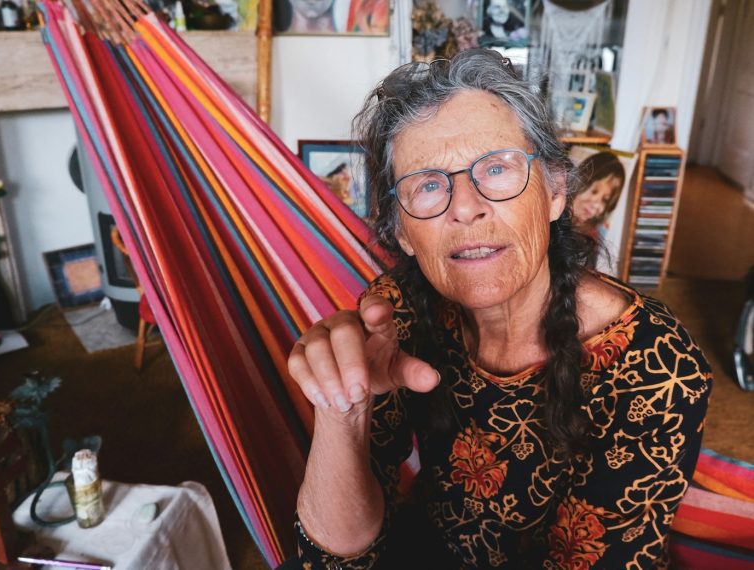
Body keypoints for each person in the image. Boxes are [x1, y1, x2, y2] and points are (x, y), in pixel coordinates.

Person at [287, 51, 711, 568]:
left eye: (496, 168)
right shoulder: (395, 315)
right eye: (427, 184)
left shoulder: (656, 365)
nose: (465, 207)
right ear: (403, 232)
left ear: (555, 193)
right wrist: (343, 412)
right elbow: (334, 557)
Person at [571, 151, 626, 235]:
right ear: (579, 181)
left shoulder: (591, 236)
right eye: (594, 192)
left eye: (605, 200)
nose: (596, 205)